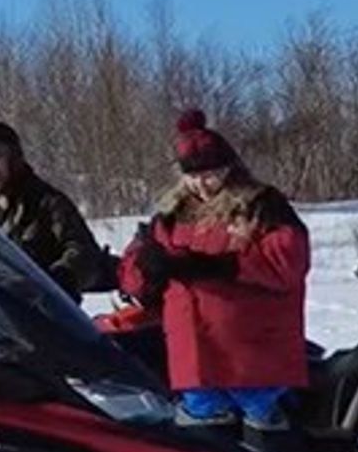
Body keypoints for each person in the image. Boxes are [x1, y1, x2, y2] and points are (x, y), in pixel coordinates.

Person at [117, 110, 310, 435]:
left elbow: (288, 262)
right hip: (194, 352)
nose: (201, 185)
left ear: (228, 168)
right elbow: (132, 273)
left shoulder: (261, 204)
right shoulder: (169, 214)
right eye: (192, 176)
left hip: (252, 352)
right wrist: (146, 268)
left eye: (210, 175)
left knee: (263, 431)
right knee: (207, 444)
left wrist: (220, 266)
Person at [0, 118, 115, 295]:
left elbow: (83, 251)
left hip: (40, 313)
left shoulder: (47, 202)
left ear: (13, 158)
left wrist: (61, 278)